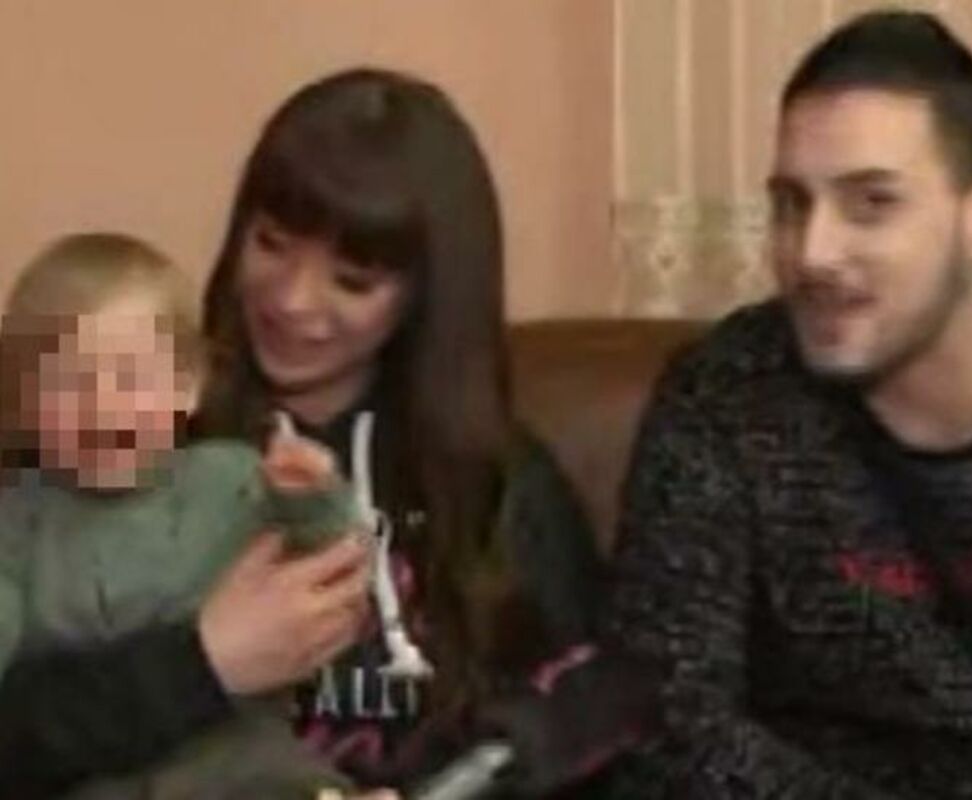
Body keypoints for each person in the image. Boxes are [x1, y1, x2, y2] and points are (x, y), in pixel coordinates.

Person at [606, 10, 972, 799]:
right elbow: (666, 721)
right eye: (791, 204)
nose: (812, 252)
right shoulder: (725, 398)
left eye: (871, 203)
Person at [1, 68, 641, 798]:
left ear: (423, 296)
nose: (293, 300)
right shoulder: (121, 433)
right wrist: (205, 662)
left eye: (353, 281)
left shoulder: (494, 479)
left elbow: (599, 701)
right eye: (270, 243)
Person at [0, 232, 366, 798]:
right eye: (68, 384)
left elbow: (332, 564)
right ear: (22, 404)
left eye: (131, 379)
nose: (102, 406)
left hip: (250, 767)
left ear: (188, 387)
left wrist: (312, 499)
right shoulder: (18, 520)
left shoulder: (231, 479)